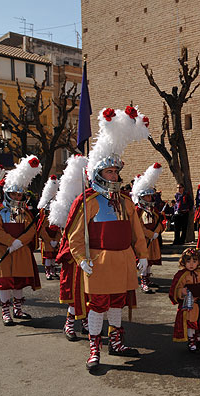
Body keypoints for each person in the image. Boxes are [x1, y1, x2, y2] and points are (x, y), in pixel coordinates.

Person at [65, 105, 150, 370]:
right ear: (98, 175)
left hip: (123, 260)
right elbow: (76, 236)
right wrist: (80, 259)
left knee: (117, 303)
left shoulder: (125, 201)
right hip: (98, 262)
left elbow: (137, 233)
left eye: (115, 171)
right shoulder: (89, 201)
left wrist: (144, 256)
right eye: (109, 172)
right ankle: (94, 349)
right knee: (97, 306)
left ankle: (116, 342)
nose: (114, 175)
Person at [0, 155, 42, 325]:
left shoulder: (25, 213)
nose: (17, 197)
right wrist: (11, 242)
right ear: (8, 194)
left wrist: (20, 242)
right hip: (3, 250)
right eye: (14, 194)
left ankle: (18, 309)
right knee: (5, 282)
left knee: (19, 281)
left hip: (21, 250)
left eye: (20, 195)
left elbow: (31, 230)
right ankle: (5, 312)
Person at [51, 154, 90, 341]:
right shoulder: (68, 206)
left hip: (91, 253)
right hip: (74, 256)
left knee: (90, 292)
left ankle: (86, 322)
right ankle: (69, 323)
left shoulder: (90, 202)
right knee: (75, 293)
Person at [169, 247, 200, 353]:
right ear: (183, 262)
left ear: (198, 261)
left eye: (194, 261)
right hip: (190, 302)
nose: (191, 264)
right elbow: (176, 288)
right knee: (190, 320)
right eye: (188, 261)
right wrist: (181, 291)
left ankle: (196, 336)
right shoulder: (182, 275)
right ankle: (191, 339)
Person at [132, 162, 165, 293]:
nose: (150, 198)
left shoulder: (153, 210)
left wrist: (157, 232)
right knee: (143, 259)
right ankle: (143, 281)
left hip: (153, 240)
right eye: (147, 196)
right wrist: (150, 235)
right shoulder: (137, 211)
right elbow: (138, 227)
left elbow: (159, 222)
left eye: (150, 195)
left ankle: (148, 278)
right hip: (143, 240)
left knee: (151, 260)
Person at [37, 175, 61, 280]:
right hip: (47, 240)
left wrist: (56, 239)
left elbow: (60, 228)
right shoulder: (44, 217)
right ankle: (48, 270)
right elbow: (42, 229)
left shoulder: (57, 212)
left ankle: (53, 270)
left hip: (54, 237)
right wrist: (49, 240)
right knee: (48, 256)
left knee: (54, 256)